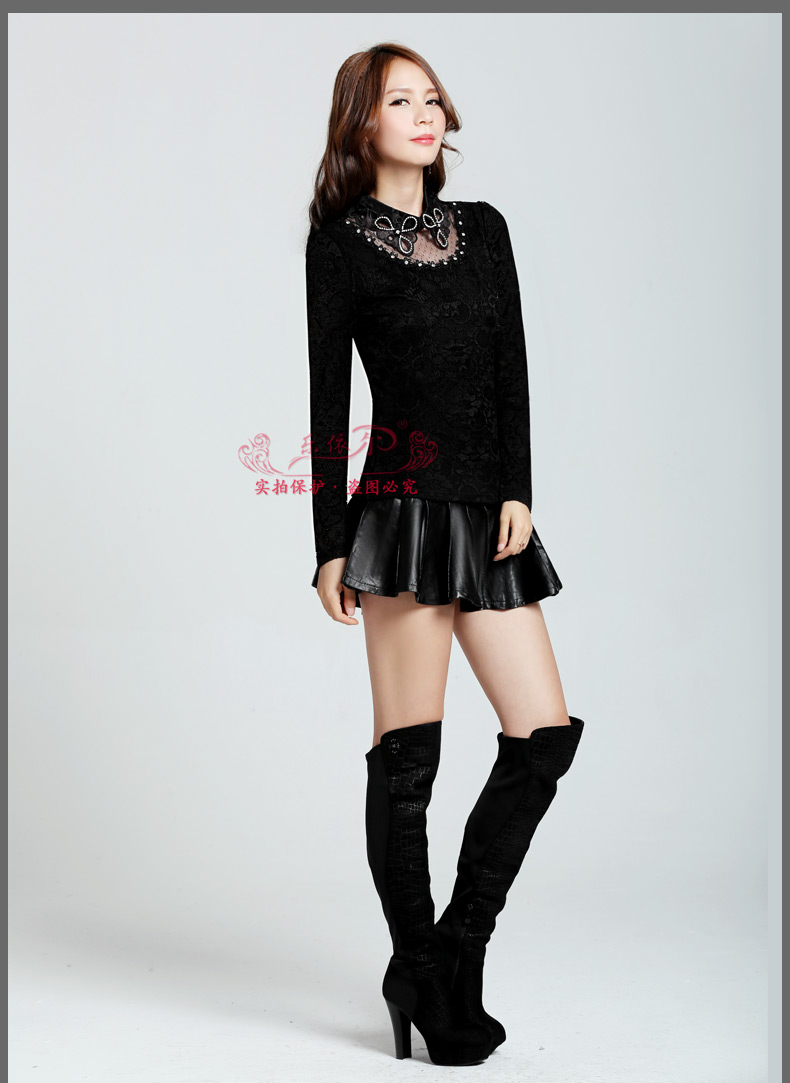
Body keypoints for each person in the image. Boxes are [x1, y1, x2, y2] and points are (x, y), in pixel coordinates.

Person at [304, 43, 586, 1066]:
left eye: (432, 98)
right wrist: (329, 544)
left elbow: (512, 368)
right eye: (400, 100)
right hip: (399, 513)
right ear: (363, 123)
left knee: (542, 735)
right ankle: (416, 968)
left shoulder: (484, 230)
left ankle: (455, 950)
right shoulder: (338, 248)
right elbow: (326, 401)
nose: (425, 114)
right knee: (408, 763)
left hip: (485, 510)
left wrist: (518, 488)